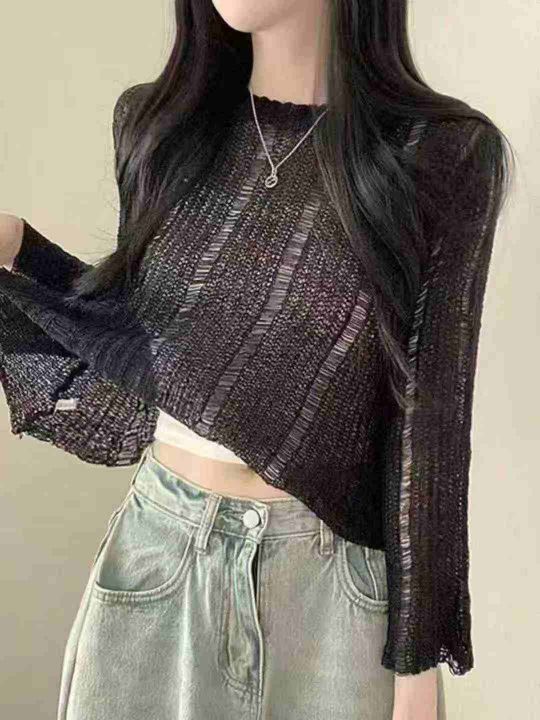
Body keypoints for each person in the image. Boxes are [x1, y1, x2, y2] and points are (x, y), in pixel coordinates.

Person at [0, 1, 513, 719]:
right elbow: (161, 342)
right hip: (160, 559)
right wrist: (22, 251)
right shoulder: (158, 126)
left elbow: (428, 425)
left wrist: (418, 671)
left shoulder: (443, 154)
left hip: (332, 594)